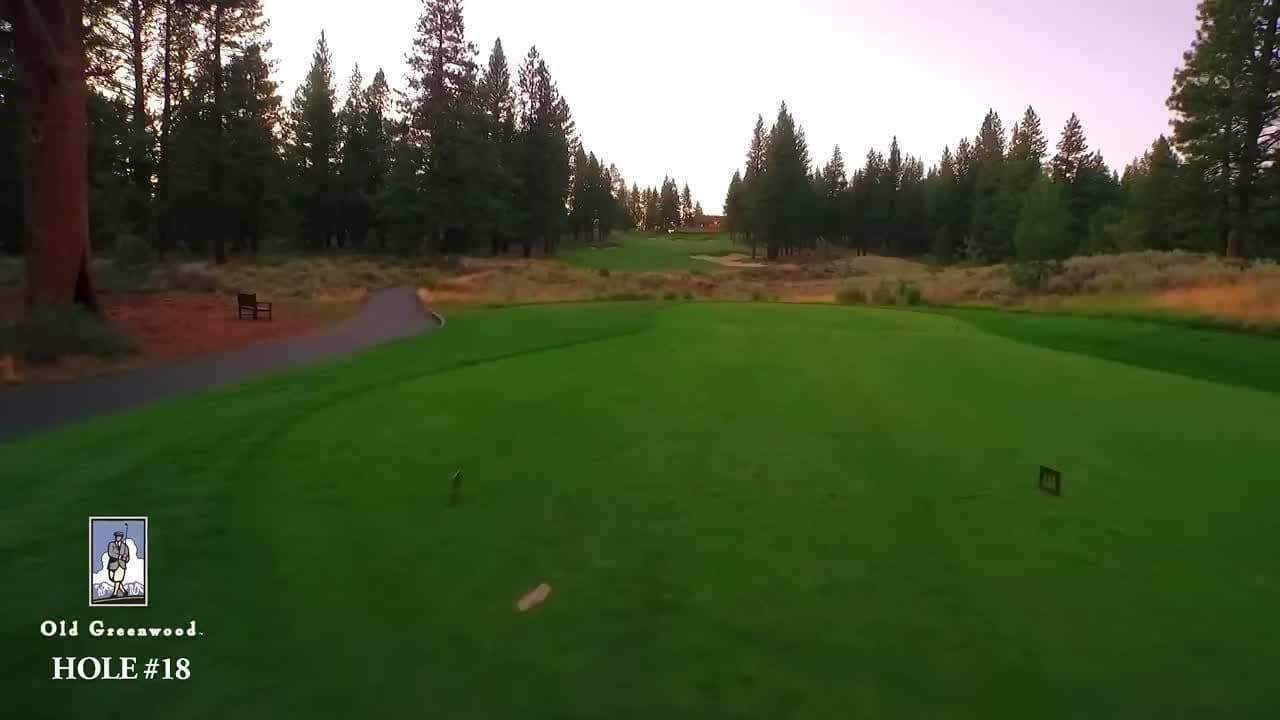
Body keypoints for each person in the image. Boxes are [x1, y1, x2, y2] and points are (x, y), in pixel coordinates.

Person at [107, 530, 130, 598]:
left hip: (121, 565)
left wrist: (125, 558)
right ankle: (124, 591)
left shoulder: (125, 546)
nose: (117, 537)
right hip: (112, 564)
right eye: (116, 536)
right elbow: (111, 553)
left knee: (117, 579)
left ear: (121, 537)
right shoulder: (111, 544)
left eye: (119, 536)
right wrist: (120, 556)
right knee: (112, 578)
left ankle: (114, 593)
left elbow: (128, 558)